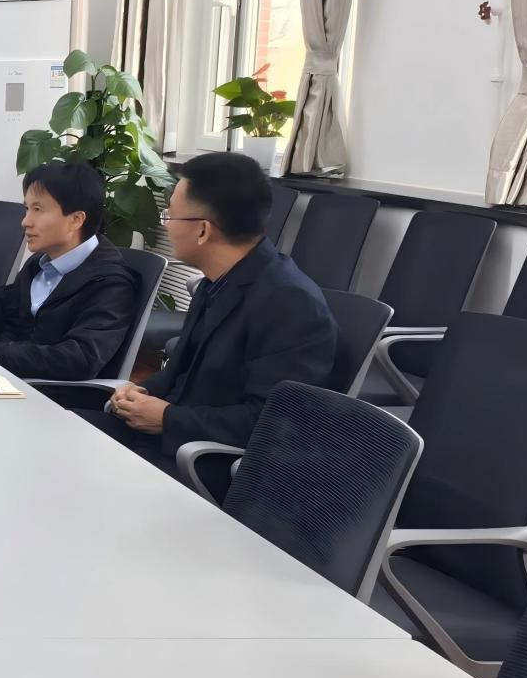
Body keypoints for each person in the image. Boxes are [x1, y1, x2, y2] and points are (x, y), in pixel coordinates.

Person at [78, 152, 335, 475]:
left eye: (170, 216)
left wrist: (168, 418)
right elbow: (183, 374)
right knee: (60, 435)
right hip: (167, 439)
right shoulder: (218, 280)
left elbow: (274, 422)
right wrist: (141, 392)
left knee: (75, 467)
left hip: (204, 463)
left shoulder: (290, 303)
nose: (166, 226)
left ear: (203, 230)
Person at [0, 161, 139, 380]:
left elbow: (80, 358)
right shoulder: (40, 265)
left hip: (46, 395)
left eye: (38, 209)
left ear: (76, 220)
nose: (26, 221)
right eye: (27, 209)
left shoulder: (110, 284)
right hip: (4, 379)